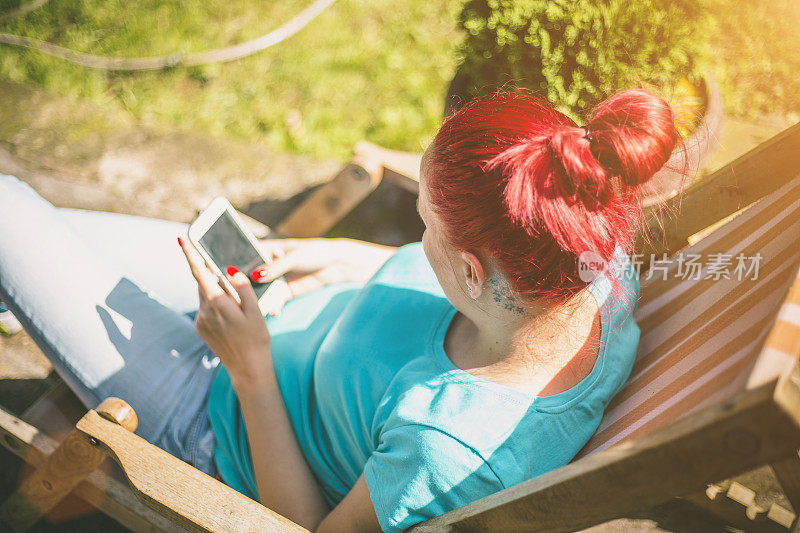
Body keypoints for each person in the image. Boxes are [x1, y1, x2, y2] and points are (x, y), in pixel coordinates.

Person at [0, 88, 679, 532]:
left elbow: (303, 528)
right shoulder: (592, 265)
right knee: (33, 227)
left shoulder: (446, 449)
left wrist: (252, 370)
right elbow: (442, 281)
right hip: (272, 301)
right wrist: (357, 261)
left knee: (8, 210)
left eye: (423, 225)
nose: (414, 238)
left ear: (472, 271)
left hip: (216, 409)